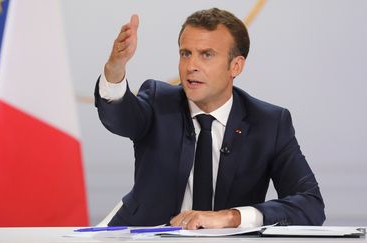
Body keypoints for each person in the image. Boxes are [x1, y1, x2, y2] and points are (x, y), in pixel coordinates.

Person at [94, 8, 325, 229]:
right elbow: (119, 117)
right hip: (141, 236)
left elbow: (310, 204)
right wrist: (115, 68)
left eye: (207, 55)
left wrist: (232, 217)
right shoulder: (158, 102)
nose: (191, 66)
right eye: (186, 54)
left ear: (235, 66)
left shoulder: (268, 123)